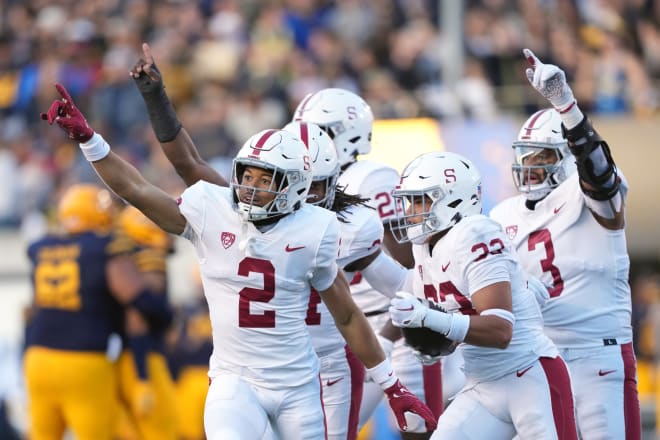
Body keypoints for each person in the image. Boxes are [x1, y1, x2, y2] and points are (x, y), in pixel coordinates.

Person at [40, 84, 436, 438]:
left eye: (266, 180)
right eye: (249, 175)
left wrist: (396, 377)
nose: (251, 188)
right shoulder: (216, 209)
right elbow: (140, 188)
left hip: (310, 378)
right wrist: (90, 140)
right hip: (237, 379)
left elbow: (353, 312)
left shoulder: (324, 227)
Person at [489, 49, 641, 439]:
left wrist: (566, 106)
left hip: (597, 356)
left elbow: (599, 174)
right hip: (537, 358)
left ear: (566, 159)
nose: (530, 166)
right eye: (527, 157)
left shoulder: (587, 193)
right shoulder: (504, 214)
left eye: (541, 156)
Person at [387, 150, 578, 439]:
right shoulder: (423, 246)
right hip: (481, 383)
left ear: (453, 198)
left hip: (529, 376)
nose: (410, 211)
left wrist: (428, 317)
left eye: (420, 200)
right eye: (409, 201)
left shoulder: (475, 233)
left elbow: (500, 330)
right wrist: (428, 341)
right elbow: (453, 334)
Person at [293, 87, 447, 438]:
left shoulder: (371, 179)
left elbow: (408, 261)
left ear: (345, 135)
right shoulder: (303, 185)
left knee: (423, 429)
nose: (308, 142)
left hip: (389, 326)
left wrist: (396, 329)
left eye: (318, 132)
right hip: (338, 333)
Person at [23, 184, 153, 440]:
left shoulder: (41, 247)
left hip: (38, 358)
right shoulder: (105, 246)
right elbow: (135, 297)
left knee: (41, 434)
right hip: (84, 360)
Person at [115, 205, 178, 440]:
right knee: (163, 431)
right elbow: (137, 318)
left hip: (125, 361)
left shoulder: (125, 259)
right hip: (143, 362)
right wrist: (143, 377)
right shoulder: (146, 257)